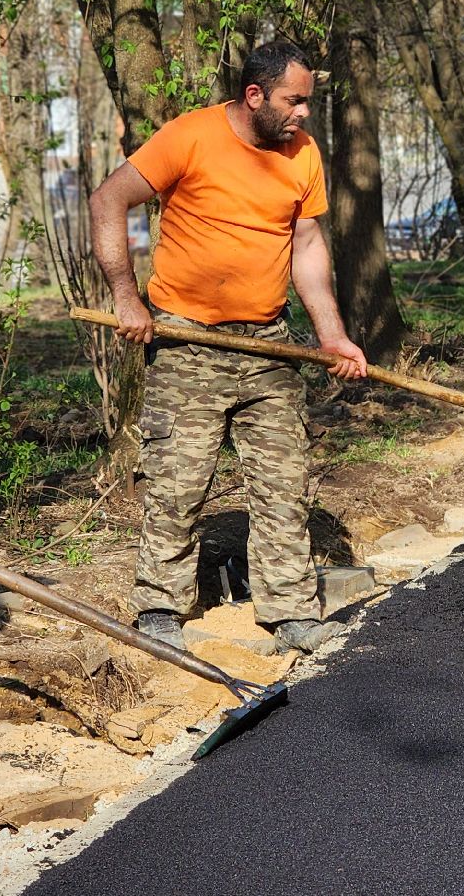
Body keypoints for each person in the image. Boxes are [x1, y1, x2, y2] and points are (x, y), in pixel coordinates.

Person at [88, 40, 368, 655]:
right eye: (294, 101)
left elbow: (308, 244)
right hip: (189, 343)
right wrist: (127, 299)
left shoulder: (303, 154)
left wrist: (332, 334)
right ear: (254, 95)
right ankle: (161, 605)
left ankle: (289, 607)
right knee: (178, 482)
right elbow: (109, 200)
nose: (303, 115)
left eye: (308, 103)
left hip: (269, 345)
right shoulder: (189, 137)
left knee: (283, 479)